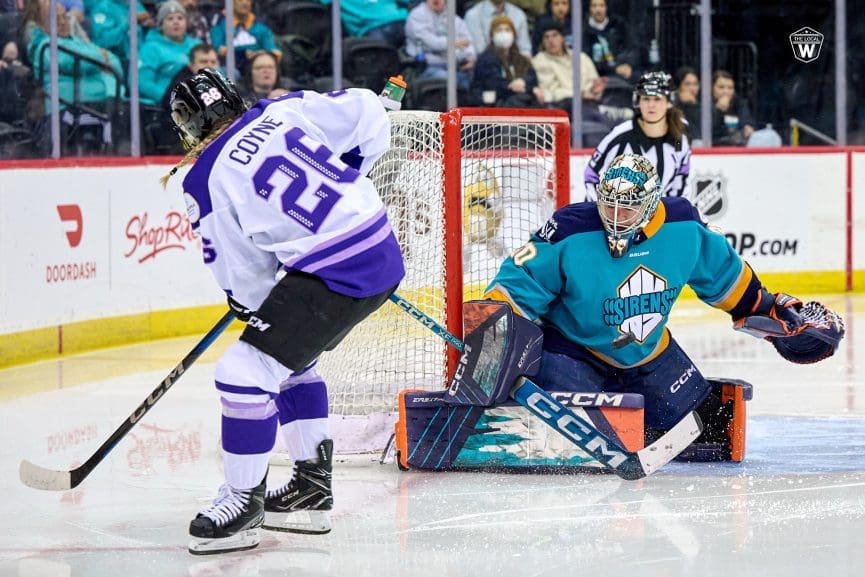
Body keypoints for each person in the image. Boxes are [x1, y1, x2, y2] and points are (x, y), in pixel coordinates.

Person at [162, 69, 406, 554]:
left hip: (336, 269)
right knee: (291, 362)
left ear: (188, 125)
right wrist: (351, 171)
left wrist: (250, 303)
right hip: (378, 245)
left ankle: (242, 502)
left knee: (242, 372)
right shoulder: (281, 109)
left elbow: (242, 273)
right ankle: (310, 490)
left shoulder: (204, 178)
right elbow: (368, 109)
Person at [482, 153, 844, 459]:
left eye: (628, 207)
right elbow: (521, 282)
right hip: (572, 348)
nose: (616, 216)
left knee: (710, 433)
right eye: (609, 204)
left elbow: (729, 282)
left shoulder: (684, 227)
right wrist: (493, 324)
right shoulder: (570, 229)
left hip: (647, 352)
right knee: (570, 439)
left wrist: (772, 314)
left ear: (651, 203)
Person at [584, 71, 690, 200]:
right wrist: (604, 209)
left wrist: (671, 209)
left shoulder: (678, 139)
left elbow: (681, 178)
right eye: (646, 99)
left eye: (657, 99)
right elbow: (592, 176)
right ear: (637, 101)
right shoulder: (620, 136)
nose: (651, 105)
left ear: (669, 102)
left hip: (662, 211)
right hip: (618, 211)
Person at [405, 0, 475, 93]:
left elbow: (468, 41)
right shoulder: (417, 15)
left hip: (455, 66)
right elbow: (430, 42)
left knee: (475, 75)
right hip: (427, 67)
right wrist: (453, 43)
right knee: (449, 80)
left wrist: (470, 56)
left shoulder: (453, 18)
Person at [470, 14, 541, 108]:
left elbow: (532, 78)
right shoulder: (485, 59)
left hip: (518, 100)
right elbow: (493, 83)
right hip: (493, 104)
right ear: (492, 35)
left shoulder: (522, 60)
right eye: (499, 30)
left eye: (507, 30)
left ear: (514, 34)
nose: (504, 33)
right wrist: (511, 85)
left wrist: (524, 84)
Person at [138, 0, 200, 105]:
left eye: (180, 18)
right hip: (168, 105)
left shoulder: (197, 44)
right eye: (170, 18)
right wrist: (169, 98)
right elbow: (141, 83)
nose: (176, 22)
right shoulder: (151, 48)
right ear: (161, 25)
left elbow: (215, 69)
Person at [210, 0, 280, 76]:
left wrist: (258, 54)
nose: (245, 3)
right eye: (240, 0)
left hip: (257, 68)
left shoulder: (262, 28)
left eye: (248, 0)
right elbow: (218, 50)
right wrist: (242, 53)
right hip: (231, 70)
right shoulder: (219, 27)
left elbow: (274, 52)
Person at [582, 0, 637, 82]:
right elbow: (586, 60)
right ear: (589, 9)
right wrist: (614, 68)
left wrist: (627, 64)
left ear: (606, 7)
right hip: (596, 76)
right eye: (594, 6)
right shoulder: (583, 30)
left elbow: (631, 48)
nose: (598, 10)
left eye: (601, 5)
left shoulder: (618, 25)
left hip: (622, 74)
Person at [162, 43, 220, 111]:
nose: (209, 66)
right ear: (191, 64)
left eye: (213, 62)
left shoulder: (217, 80)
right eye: (204, 62)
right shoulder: (182, 84)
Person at [464, 0, 531, 57]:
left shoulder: (519, 14)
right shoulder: (473, 15)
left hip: (516, 63)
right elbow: (480, 51)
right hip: (487, 64)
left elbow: (524, 49)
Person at [711, 69, 754, 146]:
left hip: (738, 145)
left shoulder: (739, 103)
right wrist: (717, 110)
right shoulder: (705, 106)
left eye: (730, 88)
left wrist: (747, 126)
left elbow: (746, 121)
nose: (726, 91)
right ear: (712, 88)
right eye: (721, 87)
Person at [674, 65, 701, 143]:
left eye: (695, 84)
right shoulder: (672, 107)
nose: (692, 88)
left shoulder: (706, 107)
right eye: (687, 84)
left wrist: (693, 106)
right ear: (678, 87)